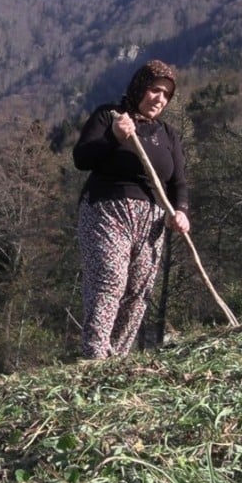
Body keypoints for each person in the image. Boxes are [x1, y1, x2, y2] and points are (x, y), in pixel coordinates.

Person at [72, 59, 190, 359]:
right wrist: (114, 135)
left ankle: (117, 357)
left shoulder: (168, 135)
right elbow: (82, 158)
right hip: (107, 211)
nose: (160, 98)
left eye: (166, 95)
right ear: (140, 88)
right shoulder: (109, 116)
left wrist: (181, 211)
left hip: (151, 220)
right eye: (154, 90)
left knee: (139, 292)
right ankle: (94, 355)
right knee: (110, 278)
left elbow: (178, 182)